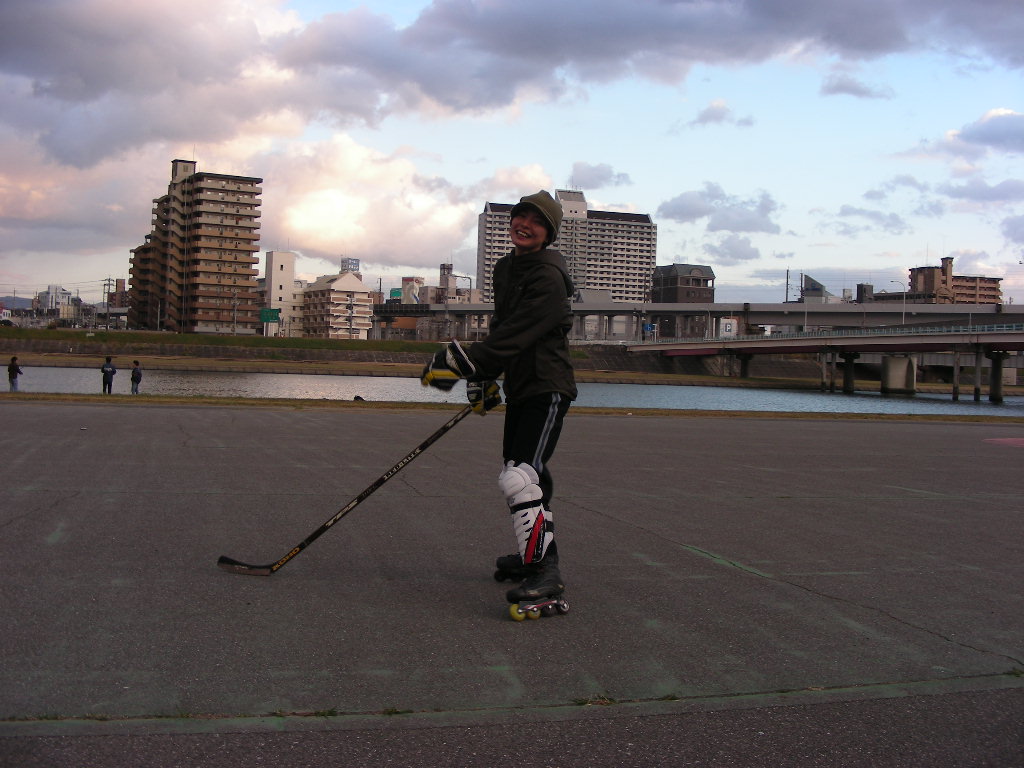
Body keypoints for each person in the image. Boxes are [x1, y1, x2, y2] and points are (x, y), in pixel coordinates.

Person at [421, 190, 576, 614]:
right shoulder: (507, 268)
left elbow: (522, 331)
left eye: (536, 222)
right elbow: (503, 327)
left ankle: (547, 573)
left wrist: (464, 364)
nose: (524, 225)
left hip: (547, 384)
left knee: (521, 478)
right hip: (522, 384)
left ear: (548, 233)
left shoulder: (548, 276)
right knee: (521, 472)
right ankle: (534, 558)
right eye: (520, 216)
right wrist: (485, 377)